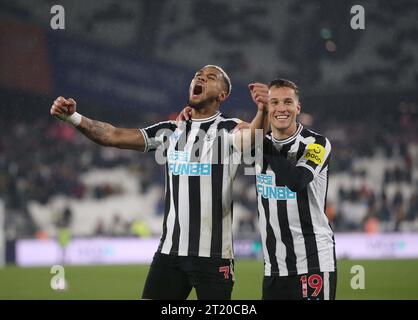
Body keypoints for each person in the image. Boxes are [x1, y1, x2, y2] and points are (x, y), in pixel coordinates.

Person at [50, 65, 268, 299]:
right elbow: (113, 135)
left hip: (213, 258)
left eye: (210, 77)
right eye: (197, 76)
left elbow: (253, 138)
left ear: (222, 95)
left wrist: (263, 110)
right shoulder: (170, 130)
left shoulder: (229, 129)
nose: (201, 77)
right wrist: (73, 117)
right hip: (169, 255)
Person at [250, 79, 337, 300]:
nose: (281, 108)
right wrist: (191, 116)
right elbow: (220, 138)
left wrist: (263, 143)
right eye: (274, 102)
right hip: (274, 268)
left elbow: (297, 180)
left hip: (313, 261)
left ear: (298, 107)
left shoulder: (317, 143)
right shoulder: (256, 144)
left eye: (288, 102)